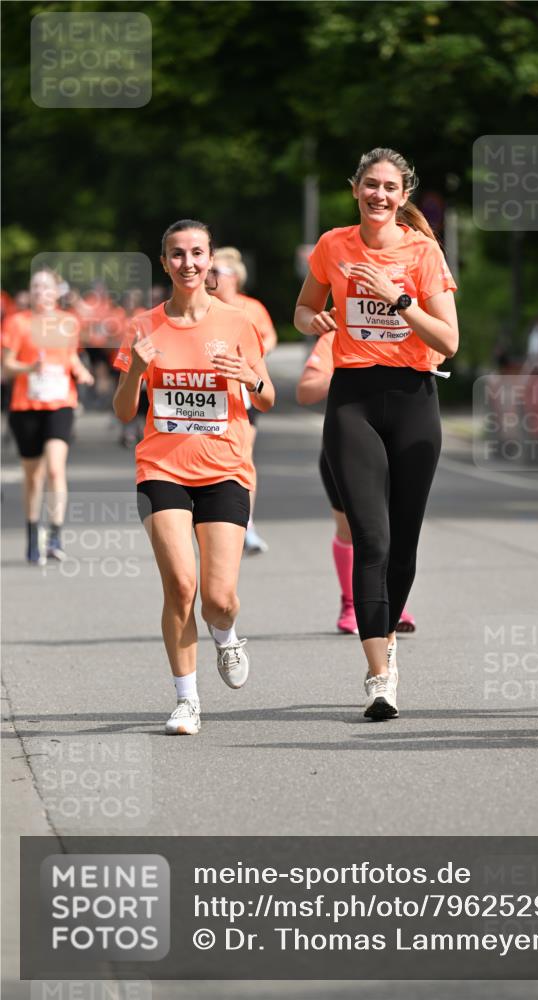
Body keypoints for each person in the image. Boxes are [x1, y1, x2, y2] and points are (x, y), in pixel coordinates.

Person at [294, 147, 458, 720]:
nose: (379, 195)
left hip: (414, 402)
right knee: (372, 537)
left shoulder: (423, 252)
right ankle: (379, 675)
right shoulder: (332, 245)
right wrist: (312, 320)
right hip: (353, 401)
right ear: (355, 189)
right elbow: (303, 308)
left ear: (404, 195)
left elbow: (449, 340)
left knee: (405, 544)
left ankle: (385, 638)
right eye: (370, 185)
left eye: (390, 187)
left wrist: (399, 300)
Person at [113, 219, 275, 735]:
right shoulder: (143, 326)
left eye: (197, 253)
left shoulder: (238, 321)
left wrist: (247, 376)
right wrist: (136, 373)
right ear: (165, 263)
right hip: (161, 468)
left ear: (211, 263)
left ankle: (226, 637)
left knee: (218, 598)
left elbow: (267, 395)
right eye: (178, 255)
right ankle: (187, 699)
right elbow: (122, 412)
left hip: (225, 468)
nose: (188, 263)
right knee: (180, 585)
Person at [296, 329, 417, 635]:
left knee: (392, 529)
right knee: (355, 530)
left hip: (397, 446)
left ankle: (392, 601)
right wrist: (349, 372)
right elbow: (305, 392)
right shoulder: (335, 337)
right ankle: (351, 602)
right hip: (347, 448)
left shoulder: (404, 328)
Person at [3, 268, 94, 564]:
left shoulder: (68, 322)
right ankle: (33, 533)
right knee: (34, 476)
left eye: (47, 288)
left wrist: (80, 371)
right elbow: (7, 365)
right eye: (36, 287)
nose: (42, 292)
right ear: (31, 293)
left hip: (60, 402)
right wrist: (29, 369)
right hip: (26, 405)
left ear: (57, 292)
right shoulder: (17, 322)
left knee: (56, 468)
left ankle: (55, 536)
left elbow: (69, 356)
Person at [210, 247, 277, 554]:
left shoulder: (251, 308)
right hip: (209, 395)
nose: (211, 278)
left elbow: (269, 338)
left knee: (243, 456)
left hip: (244, 392)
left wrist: (250, 359)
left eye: (217, 273)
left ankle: (245, 524)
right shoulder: (204, 308)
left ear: (234, 277)